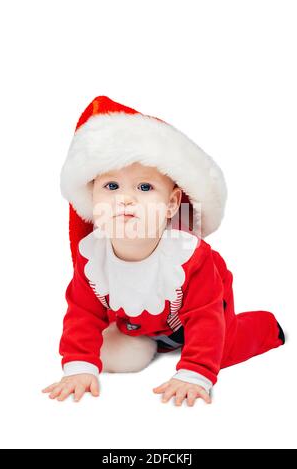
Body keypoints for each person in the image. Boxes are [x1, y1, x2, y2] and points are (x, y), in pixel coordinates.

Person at [42, 96, 285, 406]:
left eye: (144, 188)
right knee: (122, 355)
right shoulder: (93, 257)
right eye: (111, 186)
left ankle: (266, 327)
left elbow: (205, 316)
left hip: (202, 314)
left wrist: (194, 373)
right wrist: (78, 365)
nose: (125, 199)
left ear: (171, 204)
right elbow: (83, 312)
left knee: (221, 349)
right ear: (92, 195)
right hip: (143, 323)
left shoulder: (188, 257)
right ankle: (154, 344)